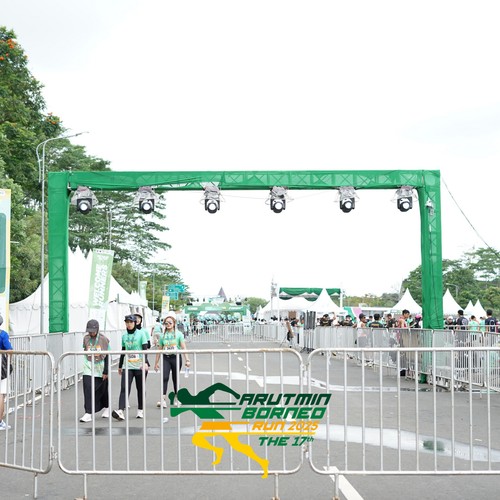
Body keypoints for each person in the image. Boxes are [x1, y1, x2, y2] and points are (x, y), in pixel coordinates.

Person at [112, 314, 150, 421]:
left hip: (139, 366)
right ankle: (120, 410)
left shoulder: (141, 334)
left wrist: (145, 362)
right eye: (127, 322)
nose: (129, 324)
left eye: (131, 322)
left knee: (140, 388)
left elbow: (145, 349)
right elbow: (123, 351)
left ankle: (140, 409)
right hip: (127, 365)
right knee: (124, 388)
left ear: (135, 323)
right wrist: (120, 366)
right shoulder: (124, 336)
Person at [154, 315, 190, 411]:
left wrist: (187, 360)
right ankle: (162, 399)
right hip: (166, 358)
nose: (168, 324)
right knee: (164, 377)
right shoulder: (162, 335)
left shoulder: (178, 334)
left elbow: (183, 347)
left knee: (175, 378)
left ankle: (177, 398)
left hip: (176, 357)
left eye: (170, 322)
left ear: (174, 324)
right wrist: (156, 363)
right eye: (166, 323)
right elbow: (159, 349)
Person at [80, 319, 110, 422]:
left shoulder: (103, 339)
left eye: (93, 331)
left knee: (102, 389)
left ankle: (106, 407)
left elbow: (107, 355)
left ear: (97, 329)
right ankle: (88, 413)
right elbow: (85, 350)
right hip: (88, 366)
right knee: (87, 388)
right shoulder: (86, 338)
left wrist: (106, 371)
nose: (91, 333)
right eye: (89, 331)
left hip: (100, 367)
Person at [0, 314, 13, 431]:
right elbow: (9, 350)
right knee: (1, 393)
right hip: (0, 365)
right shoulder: (3, 334)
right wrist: (9, 362)